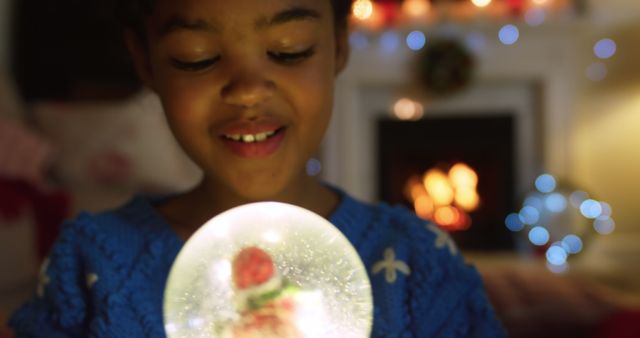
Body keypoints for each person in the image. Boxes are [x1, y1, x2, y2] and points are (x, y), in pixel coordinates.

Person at [8, 0, 505, 336]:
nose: (247, 89)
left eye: (289, 50)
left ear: (339, 42)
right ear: (145, 61)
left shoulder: (419, 264)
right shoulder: (92, 262)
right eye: (196, 59)